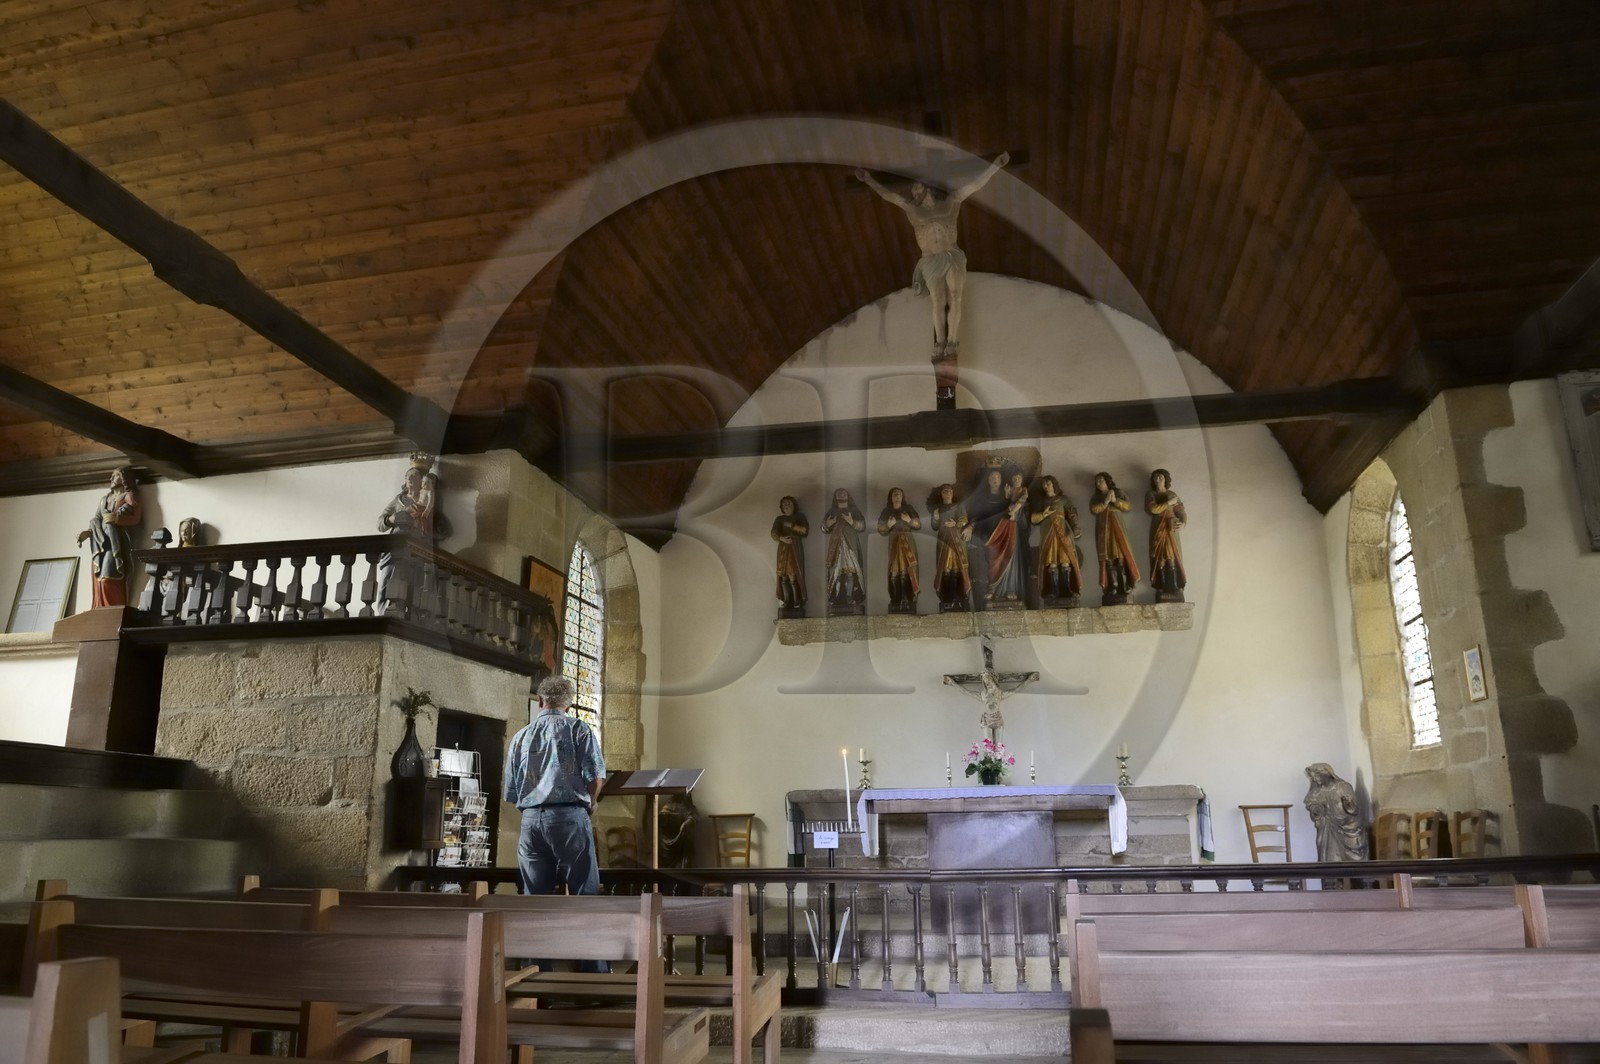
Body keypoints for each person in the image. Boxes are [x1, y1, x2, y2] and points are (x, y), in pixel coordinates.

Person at [855, 153, 1010, 399]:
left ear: (925, 187)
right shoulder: (912, 210)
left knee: (956, 297)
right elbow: (889, 196)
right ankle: (940, 342)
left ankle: (952, 340)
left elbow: (975, 185)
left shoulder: (951, 203)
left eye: (917, 187)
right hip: (930, 259)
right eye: (913, 189)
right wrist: (869, 180)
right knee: (938, 301)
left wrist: (995, 166)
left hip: (952, 255)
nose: (914, 191)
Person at [504, 674, 607, 912]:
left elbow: (511, 789)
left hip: (530, 820)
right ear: (569, 704)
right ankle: (582, 946)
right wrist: (592, 802)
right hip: (569, 817)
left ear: (540, 700)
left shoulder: (520, 737)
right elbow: (595, 776)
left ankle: (535, 947)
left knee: (535, 898)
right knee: (584, 893)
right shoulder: (579, 730)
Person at [77, 466, 143, 607]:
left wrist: (117, 519)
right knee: (99, 579)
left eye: (115, 475)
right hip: (101, 543)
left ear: (124, 478)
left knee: (109, 578)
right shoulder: (104, 499)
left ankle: (113, 610)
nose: (111, 479)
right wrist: (87, 533)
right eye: (112, 476)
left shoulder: (128, 496)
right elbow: (97, 519)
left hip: (117, 544)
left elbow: (136, 518)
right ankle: (100, 609)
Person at [968, 466, 1024, 604]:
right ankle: (992, 588)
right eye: (992, 477)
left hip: (1007, 531)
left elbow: (1017, 510)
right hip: (989, 533)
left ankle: (1010, 589)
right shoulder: (982, 498)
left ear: (1001, 480)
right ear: (987, 480)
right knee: (992, 561)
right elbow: (976, 515)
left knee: (1009, 558)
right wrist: (970, 526)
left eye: (998, 477)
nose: (995, 479)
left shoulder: (1008, 495)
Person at [1031, 474, 1083, 604]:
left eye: (1048, 483)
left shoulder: (1063, 499)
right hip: (1048, 534)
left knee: (1065, 561)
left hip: (1063, 534)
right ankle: (1053, 590)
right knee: (1051, 562)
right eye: (1044, 484)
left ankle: (1067, 589)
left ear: (1054, 484)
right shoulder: (1041, 501)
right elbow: (1033, 519)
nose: (1046, 486)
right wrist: (1044, 514)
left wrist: (1076, 527)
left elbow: (1072, 514)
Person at [1089, 472, 1139, 603]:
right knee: (1108, 557)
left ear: (1107, 481)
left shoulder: (1118, 492)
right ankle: (1114, 586)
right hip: (1103, 529)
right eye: (1097, 481)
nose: (1099, 483)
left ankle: (1125, 584)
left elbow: (1128, 506)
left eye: (1101, 480)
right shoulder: (1096, 497)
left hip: (1117, 526)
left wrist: (1115, 500)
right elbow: (1094, 509)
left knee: (1121, 555)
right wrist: (1105, 502)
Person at [379, 453, 452, 539]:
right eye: (407, 476)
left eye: (415, 475)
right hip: (397, 541)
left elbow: (444, 531)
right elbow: (379, 525)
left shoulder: (428, 499)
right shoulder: (398, 500)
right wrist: (390, 520)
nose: (410, 478)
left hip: (419, 545)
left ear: (422, 480)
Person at [1304, 762, 1368, 862]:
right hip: (1328, 828)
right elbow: (1312, 804)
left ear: (1325, 773)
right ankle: (1332, 877)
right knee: (1327, 851)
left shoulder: (1342, 786)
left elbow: (1354, 809)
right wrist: (1315, 809)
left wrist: (1348, 803)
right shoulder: (1317, 791)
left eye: (1316, 776)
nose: (1315, 779)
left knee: (1353, 858)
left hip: (1347, 826)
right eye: (1313, 778)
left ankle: (1355, 876)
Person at [876, 487, 921, 613]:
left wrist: (909, 520)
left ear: (903, 497)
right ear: (891, 497)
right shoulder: (887, 511)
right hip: (894, 542)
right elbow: (880, 529)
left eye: (899, 494)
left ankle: (908, 597)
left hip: (907, 540)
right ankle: (896, 598)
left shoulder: (909, 509)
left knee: (908, 568)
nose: (897, 496)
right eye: (894, 494)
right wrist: (888, 525)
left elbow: (918, 524)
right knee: (894, 569)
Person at [1145, 468, 1187, 602]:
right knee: (1159, 555)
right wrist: (1168, 503)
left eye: (1160, 478)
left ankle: (1174, 586)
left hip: (1171, 527)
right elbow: (1153, 509)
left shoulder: (1172, 494)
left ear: (1166, 480)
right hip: (1158, 527)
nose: (1158, 480)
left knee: (1172, 555)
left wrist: (1184, 523)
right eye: (1155, 478)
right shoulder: (1151, 494)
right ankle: (1161, 586)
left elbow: (1181, 511)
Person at [822, 488, 866, 611]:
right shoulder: (832, 511)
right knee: (837, 572)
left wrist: (851, 521)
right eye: (838, 492)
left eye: (844, 492)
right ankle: (836, 597)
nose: (841, 493)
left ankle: (849, 597)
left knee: (850, 572)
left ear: (848, 495)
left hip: (850, 543)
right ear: (835, 496)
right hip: (836, 545)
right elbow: (823, 528)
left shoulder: (854, 510)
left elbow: (862, 526)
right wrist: (829, 524)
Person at [929, 483, 972, 611]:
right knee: (945, 568)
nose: (947, 492)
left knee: (959, 568)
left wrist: (956, 523)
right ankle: (947, 597)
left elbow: (964, 519)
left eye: (949, 491)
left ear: (953, 494)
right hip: (944, 541)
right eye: (944, 491)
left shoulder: (959, 506)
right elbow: (935, 526)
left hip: (957, 541)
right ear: (941, 495)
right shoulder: (938, 508)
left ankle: (960, 597)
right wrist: (935, 517)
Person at [771, 495, 809, 615]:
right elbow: (774, 533)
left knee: (793, 573)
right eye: (784, 504)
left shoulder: (799, 517)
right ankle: (787, 601)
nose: (786, 506)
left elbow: (804, 531)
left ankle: (797, 600)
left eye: (789, 503)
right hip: (783, 548)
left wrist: (791, 526)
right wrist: (782, 538)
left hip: (794, 547)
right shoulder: (779, 519)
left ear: (794, 506)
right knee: (783, 576)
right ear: (781, 507)